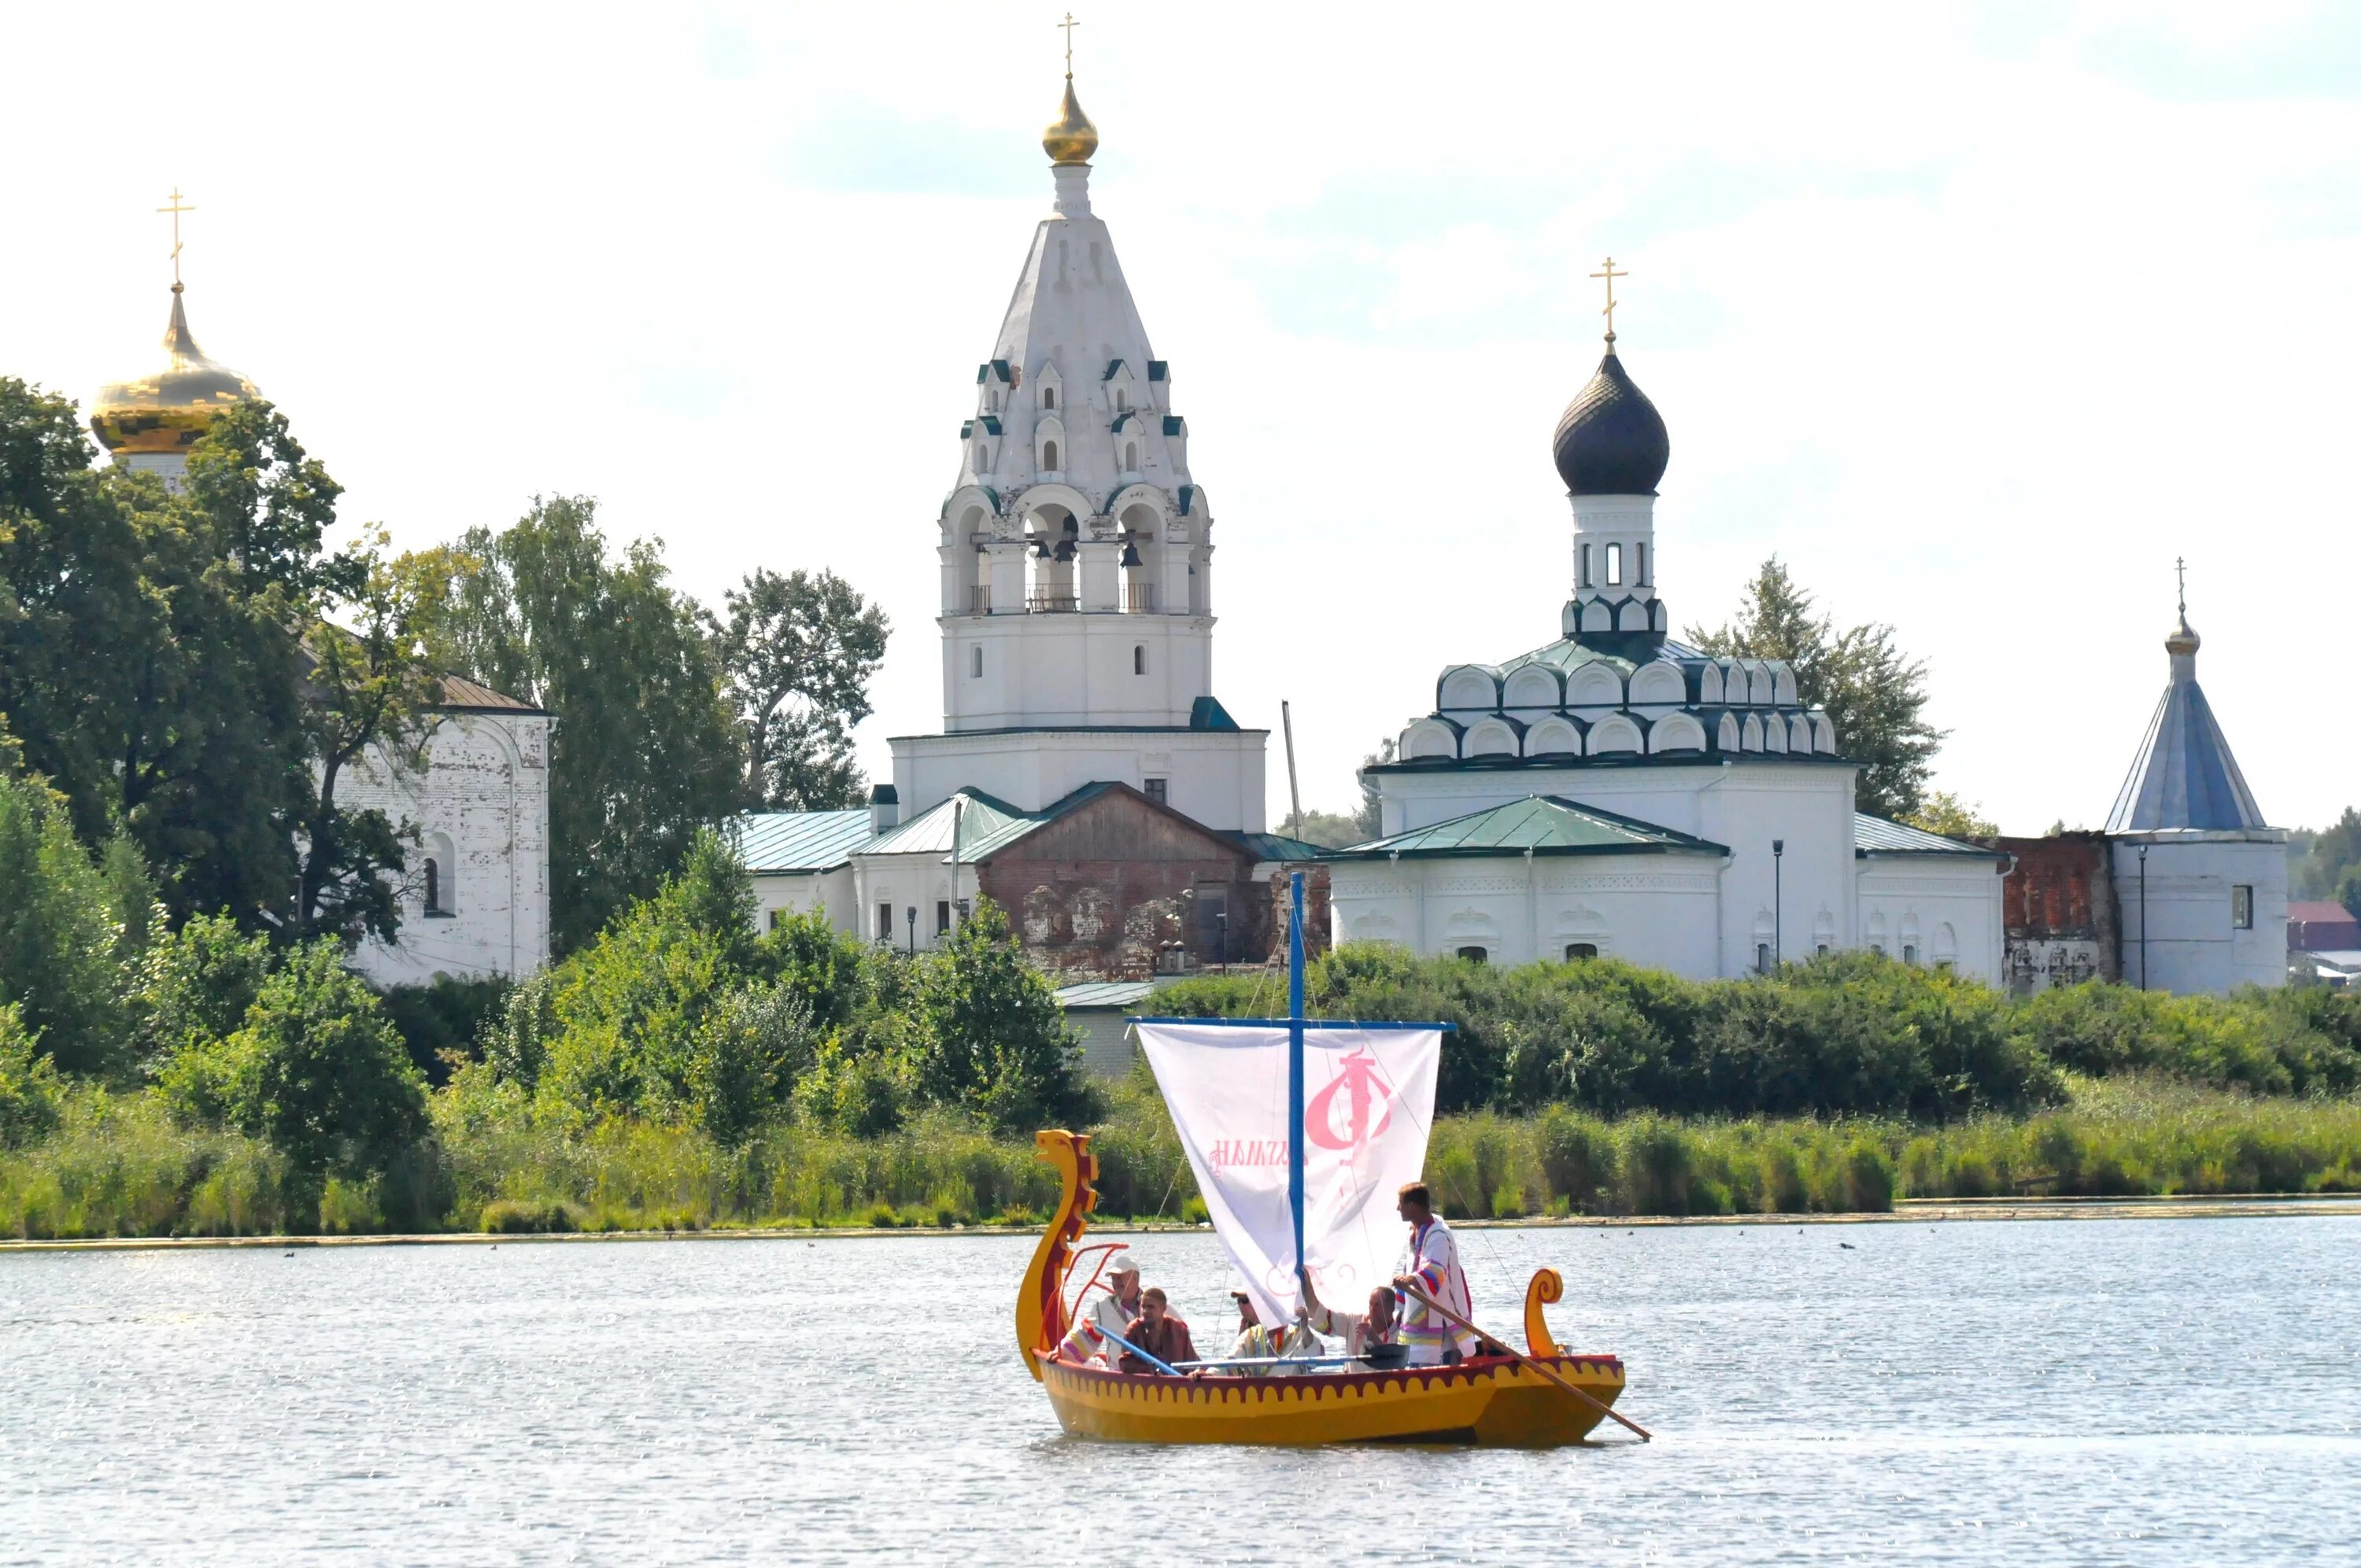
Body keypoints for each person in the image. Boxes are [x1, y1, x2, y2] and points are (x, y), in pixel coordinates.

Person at [1391, 1180, 1477, 1366]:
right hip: (1420, 1315)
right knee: (1416, 1360)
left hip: (1444, 1314)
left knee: (1447, 1356)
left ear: (1413, 1206)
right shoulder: (1414, 1233)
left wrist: (1409, 1279)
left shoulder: (1438, 1234)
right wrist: (1401, 1307)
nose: (1398, 1208)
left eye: (1402, 1203)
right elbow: (1409, 1267)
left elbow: (1434, 1272)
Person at [1055, 1249, 1144, 1368]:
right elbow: (1084, 1335)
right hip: (1118, 1374)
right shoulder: (1103, 1307)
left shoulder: (1157, 1304)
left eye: (1120, 1277)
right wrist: (1060, 1352)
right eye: (1114, 1278)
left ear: (1135, 1278)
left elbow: (1176, 1332)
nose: (1116, 1283)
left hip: (1153, 1373)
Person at [1302, 1276, 1398, 1358]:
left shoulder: (1398, 1332)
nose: (1372, 1309)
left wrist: (1372, 1335)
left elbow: (1391, 1360)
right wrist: (1307, 1283)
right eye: (1370, 1304)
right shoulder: (1354, 1321)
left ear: (1391, 1308)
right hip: (1352, 1380)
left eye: (1377, 1305)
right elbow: (1319, 1315)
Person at [1225, 1289, 1320, 1373]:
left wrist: (1304, 1324)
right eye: (1239, 1301)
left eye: (1245, 1301)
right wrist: (1211, 1374)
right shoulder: (1248, 1334)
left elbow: (1313, 1356)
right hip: (1255, 1392)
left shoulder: (1295, 1332)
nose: (1240, 1305)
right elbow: (1231, 1362)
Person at [1116, 1287, 1199, 1374]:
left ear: (1163, 1309)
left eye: (1151, 1307)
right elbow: (1125, 1364)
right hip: (1145, 1385)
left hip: (1177, 1384)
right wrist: (1150, 1371)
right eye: (1143, 1307)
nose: (1145, 1311)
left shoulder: (1179, 1330)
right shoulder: (1134, 1329)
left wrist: (1196, 1372)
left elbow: (1193, 1363)